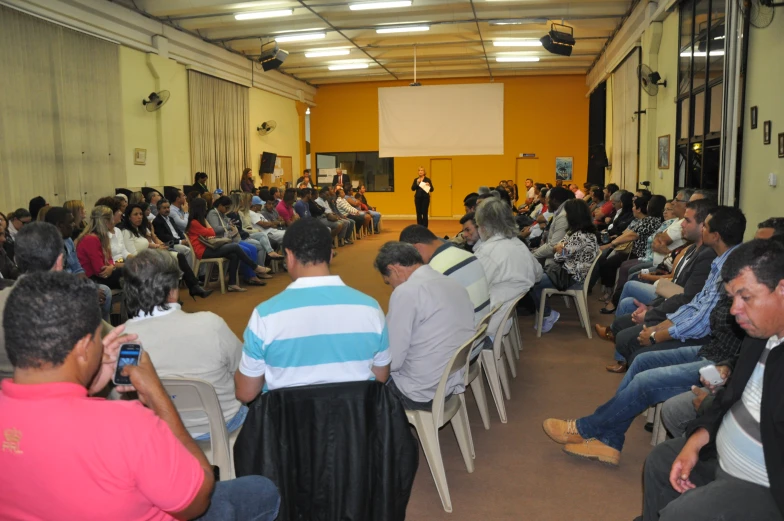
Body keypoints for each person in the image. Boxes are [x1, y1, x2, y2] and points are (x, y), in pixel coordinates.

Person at [0, 271, 281, 521]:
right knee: (262, 490)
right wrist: (156, 391)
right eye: (99, 337)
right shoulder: (127, 423)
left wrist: (87, 386)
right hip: (185, 498)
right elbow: (197, 499)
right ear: (85, 346)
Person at [639, 239, 784, 521]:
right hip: (723, 456)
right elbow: (729, 397)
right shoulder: (759, 335)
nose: (734, 310)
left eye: (746, 297)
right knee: (660, 460)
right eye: (732, 299)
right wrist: (697, 439)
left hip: (764, 486)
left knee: (680, 514)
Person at [234, 218, 391, 403]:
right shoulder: (370, 308)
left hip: (288, 427)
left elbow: (246, 393)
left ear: (289, 256)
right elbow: (381, 377)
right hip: (355, 425)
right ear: (331, 255)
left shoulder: (265, 314)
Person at [605, 206, 746, 373]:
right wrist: (658, 327)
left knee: (637, 354)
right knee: (629, 331)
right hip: (679, 307)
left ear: (715, 236)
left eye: (704, 226)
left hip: (703, 336)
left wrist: (657, 333)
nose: (682, 225)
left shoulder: (723, 264)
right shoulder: (704, 253)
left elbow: (698, 314)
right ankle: (624, 355)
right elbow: (694, 301)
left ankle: (630, 363)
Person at [123, 249, 244, 438]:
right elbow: (242, 370)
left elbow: (124, 395)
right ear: (172, 290)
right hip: (222, 424)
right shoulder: (210, 324)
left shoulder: (123, 338)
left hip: (160, 431)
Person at [374, 241, 475, 409]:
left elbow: (393, 360)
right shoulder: (453, 283)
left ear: (394, 269)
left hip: (419, 392)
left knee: (359, 382)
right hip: (448, 382)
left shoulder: (406, 292)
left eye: (388, 281)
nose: (392, 287)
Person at [399, 225, 491, 349]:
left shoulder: (435, 272)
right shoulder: (469, 255)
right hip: (478, 336)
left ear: (417, 248)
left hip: (461, 350)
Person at [474, 198, 543, 337]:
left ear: (484, 225)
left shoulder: (487, 252)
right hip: (503, 318)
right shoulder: (518, 244)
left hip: (484, 324)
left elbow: (474, 290)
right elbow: (538, 275)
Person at [532, 199, 600, 333]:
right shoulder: (584, 233)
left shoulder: (578, 236)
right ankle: (545, 313)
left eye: (567, 213)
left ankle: (547, 314)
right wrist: (560, 247)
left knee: (533, 282)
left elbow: (558, 256)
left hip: (572, 278)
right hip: (571, 274)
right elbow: (560, 249)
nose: (566, 216)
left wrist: (559, 248)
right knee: (535, 278)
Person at [121, 204, 211, 299]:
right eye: (135, 214)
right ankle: (172, 297)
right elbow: (134, 255)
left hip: (151, 255)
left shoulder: (139, 229)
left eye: (140, 214)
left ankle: (194, 287)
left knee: (179, 256)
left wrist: (157, 245)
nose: (139, 216)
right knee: (169, 265)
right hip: (142, 262)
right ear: (129, 217)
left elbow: (147, 244)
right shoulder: (127, 232)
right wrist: (155, 251)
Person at [186, 198, 269, 293]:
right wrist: (207, 224)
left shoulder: (199, 221)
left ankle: (232, 284)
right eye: (204, 207)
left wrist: (206, 225)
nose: (206, 209)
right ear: (200, 209)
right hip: (202, 251)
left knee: (234, 255)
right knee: (235, 246)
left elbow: (209, 233)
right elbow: (212, 231)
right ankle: (255, 267)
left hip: (208, 247)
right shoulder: (194, 222)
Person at [45, 208, 112, 321]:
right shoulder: (47, 245)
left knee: (105, 291)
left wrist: (89, 287)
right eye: (70, 222)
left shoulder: (69, 241)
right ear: (60, 225)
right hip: (59, 289)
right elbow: (56, 279)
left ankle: (102, 331)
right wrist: (85, 289)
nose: (74, 225)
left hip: (75, 283)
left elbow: (78, 269)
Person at [208, 195, 269, 284]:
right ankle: (250, 276)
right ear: (220, 205)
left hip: (228, 239)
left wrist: (230, 224)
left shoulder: (222, 213)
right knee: (246, 250)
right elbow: (215, 229)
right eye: (226, 207)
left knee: (253, 248)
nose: (227, 209)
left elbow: (226, 225)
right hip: (220, 241)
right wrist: (229, 226)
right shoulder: (213, 213)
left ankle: (252, 275)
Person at [76, 206, 123, 290]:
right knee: (129, 273)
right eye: (112, 219)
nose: (113, 222)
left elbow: (110, 260)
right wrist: (112, 267)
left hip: (100, 275)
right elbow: (100, 271)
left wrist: (112, 267)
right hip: (91, 278)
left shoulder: (102, 237)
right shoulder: (91, 239)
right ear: (106, 222)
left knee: (131, 271)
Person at [532, 186, 574, 262]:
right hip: (555, 257)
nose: (546, 203)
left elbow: (553, 246)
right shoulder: (560, 212)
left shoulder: (563, 216)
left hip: (556, 263)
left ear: (554, 200)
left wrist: (532, 256)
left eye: (548, 200)